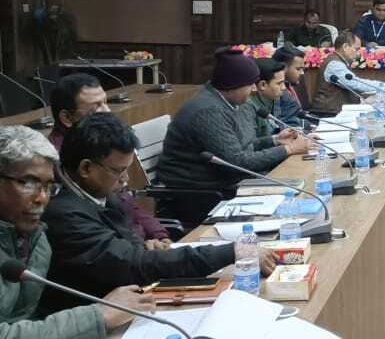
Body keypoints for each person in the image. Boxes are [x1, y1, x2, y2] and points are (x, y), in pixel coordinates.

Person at [38, 113, 277, 316]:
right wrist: (232, 251)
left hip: (129, 300)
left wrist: (144, 244)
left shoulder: (98, 192)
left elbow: (127, 252)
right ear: (86, 168)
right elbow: (132, 266)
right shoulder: (64, 214)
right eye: (118, 171)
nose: (126, 179)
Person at [0, 125, 156, 338]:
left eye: (48, 186)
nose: (42, 198)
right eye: (28, 183)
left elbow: (29, 318)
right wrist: (98, 316)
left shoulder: (36, 237)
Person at [155, 48, 313, 223]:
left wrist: (274, 140)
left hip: (221, 184)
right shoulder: (209, 111)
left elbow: (241, 146)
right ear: (232, 85)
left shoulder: (226, 101)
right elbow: (237, 162)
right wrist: (289, 149)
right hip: (198, 194)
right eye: (250, 84)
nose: (253, 89)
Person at [48, 74, 170, 245]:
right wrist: (142, 248)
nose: (107, 111)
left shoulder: (106, 146)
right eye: (96, 107)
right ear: (66, 118)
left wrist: (160, 235)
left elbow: (128, 204)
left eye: (105, 102)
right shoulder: (55, 164)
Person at [312, 30, 385, 114]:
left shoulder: (339, 61)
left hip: (336, 110)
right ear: (345, 47)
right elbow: (356, 84)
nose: (358, 54)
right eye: (356, 49)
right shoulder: (334, 64)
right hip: (329, 112)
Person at [246, 58, 286, 138]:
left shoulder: (270, 99)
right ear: (263, 85)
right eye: (279, 83)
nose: (284, 88)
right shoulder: (249, 108)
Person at [272, 44, 309, 128]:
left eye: (303, 69)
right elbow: (281, 123)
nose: (302, 73)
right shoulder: (277, 90)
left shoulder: (289, 84)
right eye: (298, 69)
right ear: (283, 67)